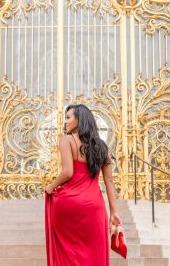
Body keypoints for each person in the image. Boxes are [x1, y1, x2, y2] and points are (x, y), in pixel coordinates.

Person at [45, 104, 122, 266]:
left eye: (68, 118)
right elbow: (109, 181)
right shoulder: (102, 147)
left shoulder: (67, 141)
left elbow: (67, 172)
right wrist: (114, 212)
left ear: (79, 120)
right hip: (94, 207)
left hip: (69, 204)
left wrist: (51, 186)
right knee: (93, 255)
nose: (65, 122)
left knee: (67, 253)